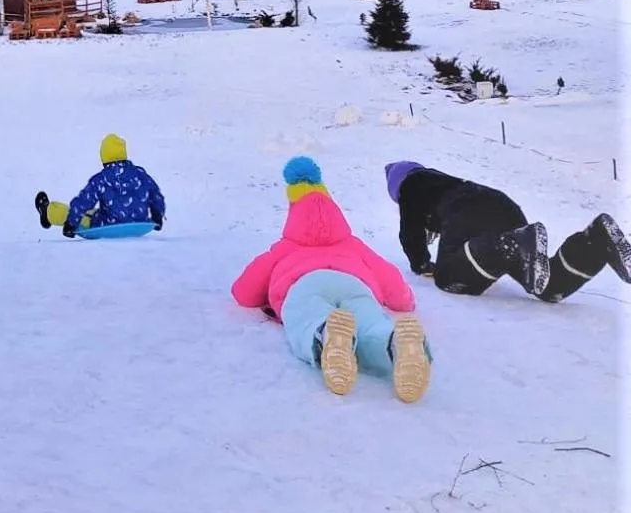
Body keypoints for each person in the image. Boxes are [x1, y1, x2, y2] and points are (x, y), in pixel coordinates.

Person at [232, 157, 430, 402]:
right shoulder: (354, 245)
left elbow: (244, 292)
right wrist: (405, 301)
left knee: (306, 317)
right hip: (355, 284)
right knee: (369, 322)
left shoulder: (284, 247)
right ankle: (393, 343)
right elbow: (389, 278)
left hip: (305, 285)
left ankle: (324, 333)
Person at [384, 161, 629, 303]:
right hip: (503, 208)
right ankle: (596, 242)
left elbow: (410, 233)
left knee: (449, 277)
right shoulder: (440, 182)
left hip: (466, 209)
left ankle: (515, 244)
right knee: (547, 285)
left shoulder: (412, 185)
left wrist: (421, 264)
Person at [35, 134, 165, 237]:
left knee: (81, 215)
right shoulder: (140, 174)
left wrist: (71, 223)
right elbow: (156, 195)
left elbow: (84, 201)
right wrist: (157, 216)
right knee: (94, 212)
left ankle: (48, 212)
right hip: (138, 222)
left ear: (104, 156)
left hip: (108, 224)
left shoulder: (102, 179)